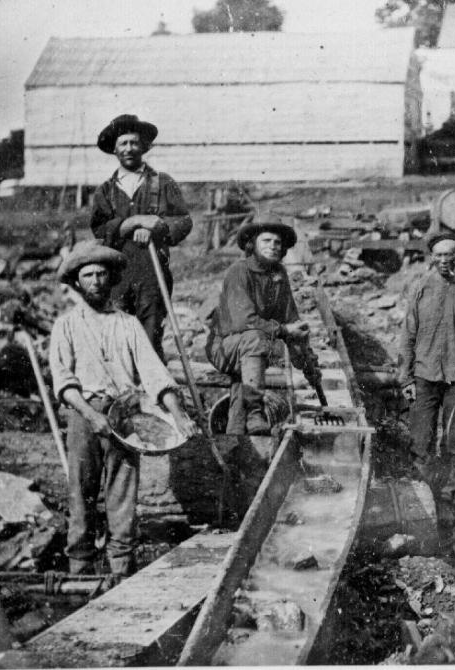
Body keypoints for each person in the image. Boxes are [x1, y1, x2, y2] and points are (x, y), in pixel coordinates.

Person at [49, 240, 199, 576]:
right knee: (82, 491)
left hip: (124, 417)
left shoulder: (127, 324)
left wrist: (178, 414)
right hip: (84, 414)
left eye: (102, 274)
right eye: (88, 275)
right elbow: (63, 381)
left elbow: (154, 374)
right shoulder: (66, 325)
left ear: (112, 278)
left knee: (122, 493)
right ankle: (80, 565)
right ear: (77, 282)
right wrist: (92, 416)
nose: (96, 281)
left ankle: (121, 568)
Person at [90, 114, 193, 360]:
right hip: (116, 276)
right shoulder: (105, 190)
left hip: (152, 272)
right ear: (114, 149)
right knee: (117, 337)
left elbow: (183, 220)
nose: (129, 149)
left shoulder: (162, 182)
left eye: (134, 143)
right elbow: (99, 228)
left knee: (150, 338)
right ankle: (124, 394)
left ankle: (154, 393)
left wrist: (157, 226)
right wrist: (132, 222)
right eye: (123, 143)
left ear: (144, 147)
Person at [205, 215, 317, 436]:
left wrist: (308, 361)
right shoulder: (239, 272)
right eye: (266, 241)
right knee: (255, 338)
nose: (273, 246)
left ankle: (235, 438)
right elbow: (244, 322)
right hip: (224, 346)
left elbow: (291, 320)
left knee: (242, 383)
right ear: (252, 244)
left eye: (277, 243)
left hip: (250, 348)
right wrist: (284, 331)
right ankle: (255, 412)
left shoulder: (279, 274)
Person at [398, 232, 455, 508]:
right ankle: (425, 499)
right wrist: (406, 379)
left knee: (454, 439)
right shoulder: (420, 288)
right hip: (424, 378)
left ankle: (447, 497)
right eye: (439, 255)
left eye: (451, 254)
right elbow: (407, 336)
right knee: (421, 440)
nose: (445, 260)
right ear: (432, 258)